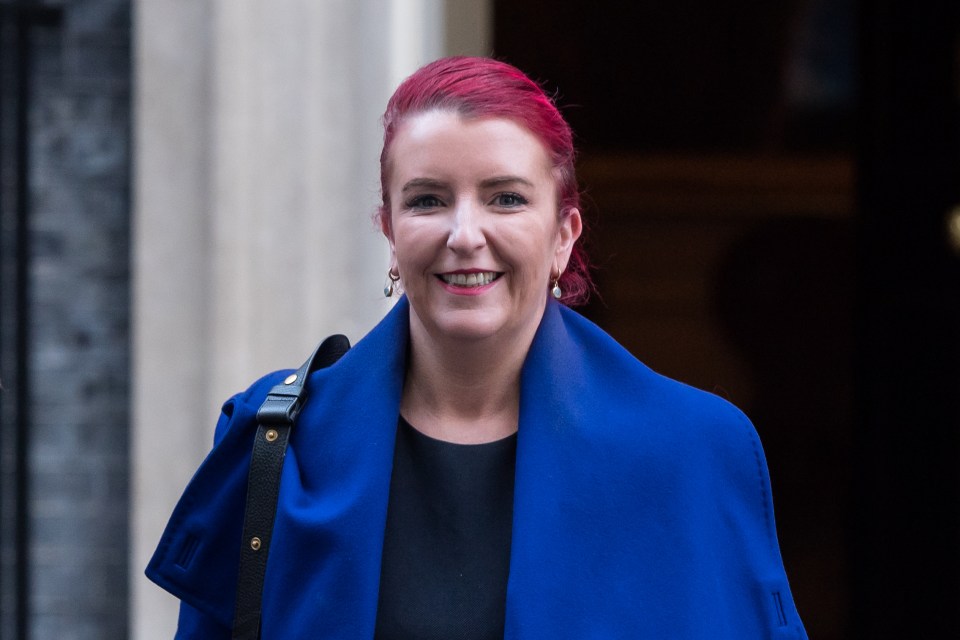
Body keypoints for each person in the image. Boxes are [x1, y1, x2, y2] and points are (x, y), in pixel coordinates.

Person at [147, 56, 807, 639]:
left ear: (564, 234)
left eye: (506, 199)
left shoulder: (693, 450)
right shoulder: (276, 441)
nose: (465, 233)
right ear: (389, 229)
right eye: (429, 199)